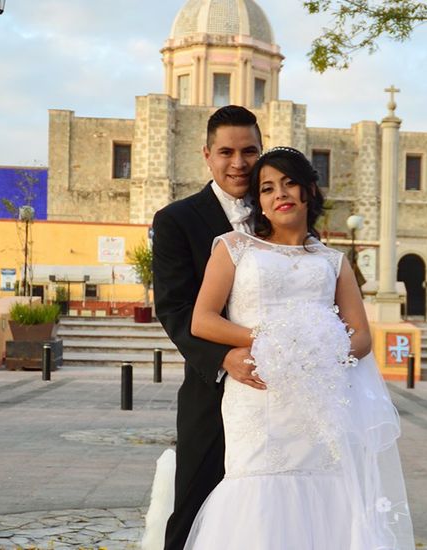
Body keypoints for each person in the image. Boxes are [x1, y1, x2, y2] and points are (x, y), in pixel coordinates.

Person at [184, 147, 414, 549]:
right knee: (257, 493)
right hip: (258, 398)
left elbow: (361, 335)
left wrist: (325, 350)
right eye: (268, 188)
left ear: (309, 190)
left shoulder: (332, 262)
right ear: (260, 202)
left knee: (325, 493)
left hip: (319, 399)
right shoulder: (235, 247)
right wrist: (272, 340)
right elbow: (202, 319)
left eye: (289, 183)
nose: (280, 194)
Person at [151, 105, 263, 550]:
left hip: (277, 392)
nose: (239, 163)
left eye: (250, 151)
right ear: (207, 155)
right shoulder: (176, 219)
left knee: (263, 506)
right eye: (227, 152)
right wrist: (223, 359)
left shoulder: (279, 211)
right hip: (209, 390)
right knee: (195, 504)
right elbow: (174, 308)